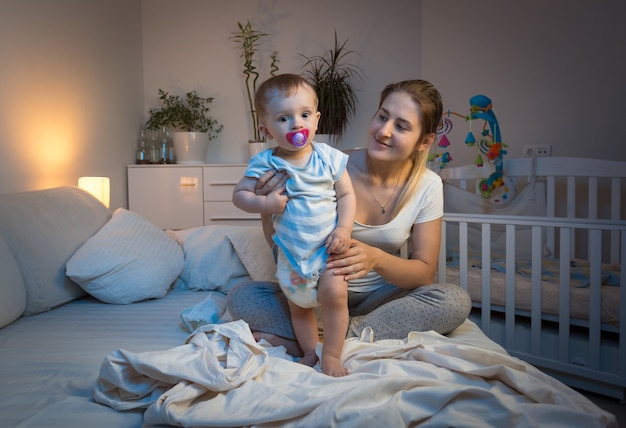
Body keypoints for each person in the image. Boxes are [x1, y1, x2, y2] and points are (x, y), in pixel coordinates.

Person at [227, 78, 472, 371]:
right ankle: (333, 336)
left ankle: (331, 337)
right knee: (242, 296)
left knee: (454, 301)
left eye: (402, 126)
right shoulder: (327, 164)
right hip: (316, 289)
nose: (384, 130)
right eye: (382, 116)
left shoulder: (428, 186)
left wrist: (375, 258)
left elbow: (424, 273)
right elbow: (281, 241)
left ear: (425, 141)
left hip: (379, 300)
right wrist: (267, 206)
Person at [232, 74, 357, 377]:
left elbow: (347, 194)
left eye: (303, 115)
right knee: (299, 307)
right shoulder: (265, 163)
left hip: (329, 250)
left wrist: (344, 231)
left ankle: (331, 355)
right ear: (266, 130)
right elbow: (239, 196)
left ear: (316, 119)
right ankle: (308, 352)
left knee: (335, 297)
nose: (296, 124)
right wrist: (266, 204)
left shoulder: (328, 158)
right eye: (284, 118)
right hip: (291, 256)